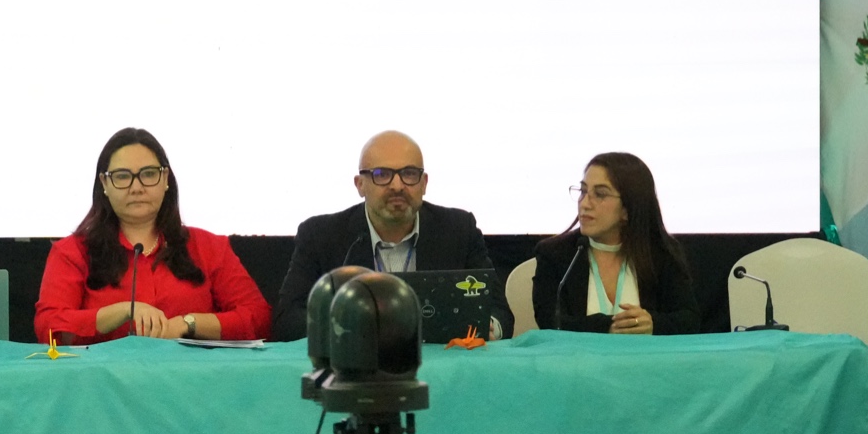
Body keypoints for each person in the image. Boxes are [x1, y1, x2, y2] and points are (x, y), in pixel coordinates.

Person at [34, 127, 271, 345]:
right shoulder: (72, 252)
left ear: (166, 179)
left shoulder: (209, 247)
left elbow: (258, 318)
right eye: (122, 176)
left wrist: (187, 324)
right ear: (104, 183)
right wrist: (124, 311)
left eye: (148, 174)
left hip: (194, 374)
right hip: (103, 376)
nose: (136, 187)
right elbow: (48, 328)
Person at [273, 131, 500, 341]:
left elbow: (499, 309)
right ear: (360, 185)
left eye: (409, 174)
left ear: (424, 183)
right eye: (382, 175)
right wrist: (351, 327)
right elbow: (288, 319)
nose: (397, 186)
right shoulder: (321, 235)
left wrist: (490, 327)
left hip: (443, 362)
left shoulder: (458, 229)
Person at [531, 151, 699, 335]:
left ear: (628, 208)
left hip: (647, 354)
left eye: (600, 194)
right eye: (583, 191)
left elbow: (689, 319)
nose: (585, 204)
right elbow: (550, 321)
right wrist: (607, 327)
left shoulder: (660, 252)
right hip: (580, 354)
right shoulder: (555, 253)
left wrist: (653, 324)